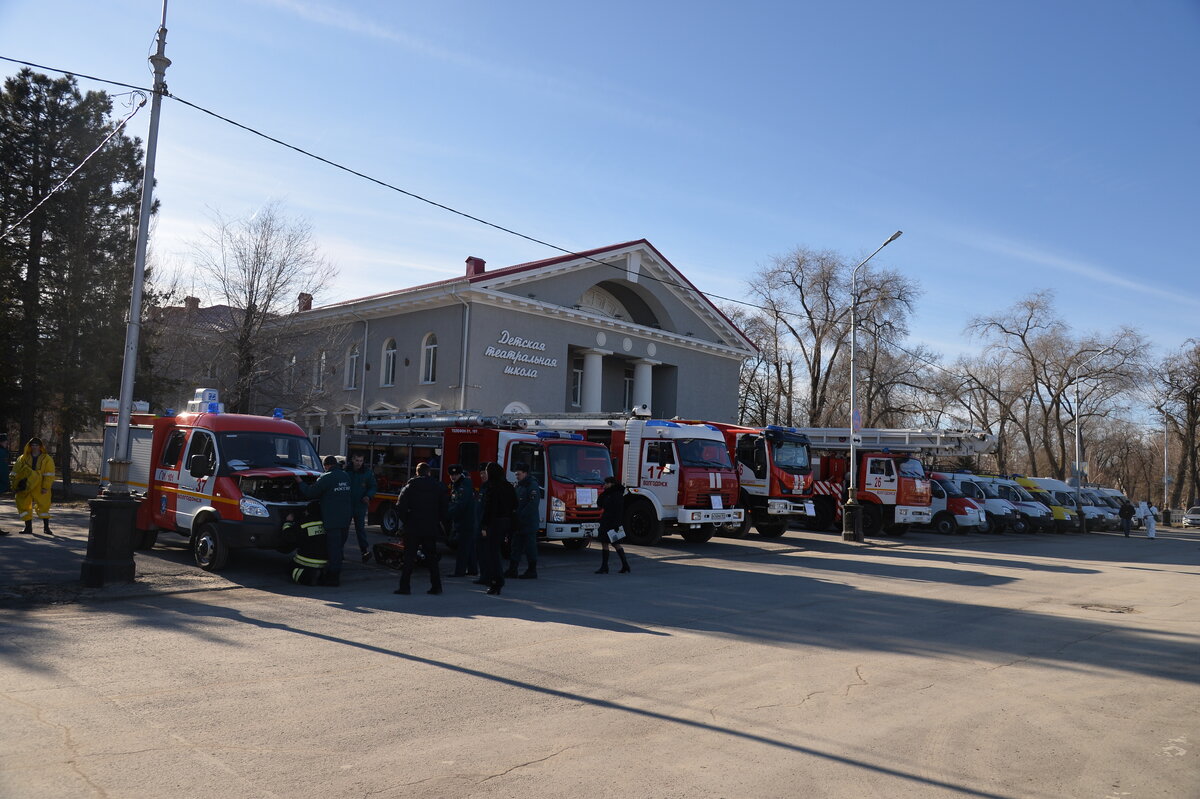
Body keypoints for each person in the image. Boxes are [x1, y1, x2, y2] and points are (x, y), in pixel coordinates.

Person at [393, 462, 449, 595]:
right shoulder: (438, 486)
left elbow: (400, 507)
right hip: (430, 527)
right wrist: (438, 520)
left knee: (409, 558)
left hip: (413, 527)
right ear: (429, 472)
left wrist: (407, 520)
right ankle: (436, 586)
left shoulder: (410, 486)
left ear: (417, 472)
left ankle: (405, 587)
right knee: (432, 558)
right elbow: (445, 507)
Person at [298, 455, 353, 585]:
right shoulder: (345, 476)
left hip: (332, 519)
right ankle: (336, 572)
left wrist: (300, 482)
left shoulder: (326, 477)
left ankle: (333, 578)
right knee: (339, 548)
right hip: (345, 519)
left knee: (333, 548)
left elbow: (310, 493)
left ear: (326, 466)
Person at [478, 462, 516, 595]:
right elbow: (514, 504)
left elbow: (489, 509)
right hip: (507, 522)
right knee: (498, 552)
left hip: (495, 523)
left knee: (492, 554)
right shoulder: (508, 486)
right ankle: (497, 580)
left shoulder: (492, 487)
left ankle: (496, 581)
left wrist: (484, 526)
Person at [506, 463, 542, 580]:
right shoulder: (520, 485)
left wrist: (520, 516)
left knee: (530, 547)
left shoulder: (532, 485)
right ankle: (513, 569)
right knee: (515, 546)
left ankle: (532, 570)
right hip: (519, 523)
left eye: (519, 474)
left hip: (528, 523)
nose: (516, 476)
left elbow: (532, 505)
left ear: (525, 473)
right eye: (516, 474)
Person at [13, 437, 55, 535]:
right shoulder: (23, 458)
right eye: (32, 445)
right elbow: (15, 472)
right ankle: (28, 528)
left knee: (44, 505)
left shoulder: (47, 459)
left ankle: (46, 528)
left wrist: (45, 487)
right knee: (23, 504)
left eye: (36, 445)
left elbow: (49, 474)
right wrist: (15, 485)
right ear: (30, 446)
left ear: (40, 447)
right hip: (26, 485)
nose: (34, 447)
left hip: (40, 485)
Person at [282, 502, 328, 585]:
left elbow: (289, 536)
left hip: (306, 560)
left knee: (290, 570)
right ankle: (320, 574)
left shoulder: (304, 524)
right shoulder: (326, 522)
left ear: (308, 511)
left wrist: (287, 522)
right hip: (324, 561)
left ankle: (308, 577)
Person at [447, 464, 479, 577]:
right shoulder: (458, 484)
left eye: (455, 474)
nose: (453, 477)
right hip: (465, 521)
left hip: (465, 521)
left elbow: (460, 504)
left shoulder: (463, 486)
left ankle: (459, 571)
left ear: (460, 474)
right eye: (451, 475)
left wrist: (447, 513)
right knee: (469, 547)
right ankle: (472, 569)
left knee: (463, 548)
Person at [595, 476, 631, 574]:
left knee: (606, 543)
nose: (605, 485)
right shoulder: (612, 493)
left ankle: (605, 567)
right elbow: (600, 504)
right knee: (615, 543)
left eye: (606, 483)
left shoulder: (615, 495)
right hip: (611, 521)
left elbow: (616, 510)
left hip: (609, 522)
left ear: (612, 484)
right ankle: (625, 565)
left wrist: (616, 524)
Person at [347, 452, 378, 562]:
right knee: (343, 529)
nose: (359, 463)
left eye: (361, 461)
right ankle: (338, 552)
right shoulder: (346, 471)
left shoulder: (367, 473)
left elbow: (373, 487)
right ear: (352, 460)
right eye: (357, 460)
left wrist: (368, 496)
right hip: (347, 505)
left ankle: (364, 551)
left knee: (360, 530)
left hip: (360, 506)